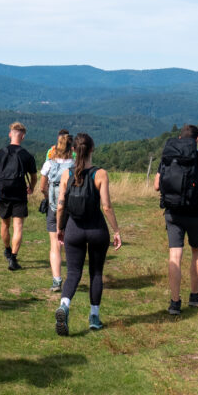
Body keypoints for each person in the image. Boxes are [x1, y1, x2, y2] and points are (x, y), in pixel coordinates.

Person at [54, 133, 122, 336]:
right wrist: (116, 231)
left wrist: (60, 228)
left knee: (73, 272)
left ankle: (64, 306)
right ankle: (94, 317)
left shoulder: (67, 174)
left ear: (73, 151)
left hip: (74, 229)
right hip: (96, 230)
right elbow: (107, 206)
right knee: (96, 273)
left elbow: (60, 206)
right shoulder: (100, 174)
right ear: (92, 149)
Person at [153, 124, 198, 315]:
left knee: (175, 255)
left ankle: (175, 302)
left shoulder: (168, 156)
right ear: (196, 140)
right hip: (195, 212)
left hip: (173, 213)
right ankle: (194, 295)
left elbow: (157, 185)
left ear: (180, 138)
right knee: (197, 251)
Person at [0, 122, 37, 271]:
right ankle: (13, 259)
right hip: (19, 193)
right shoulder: (27, 155)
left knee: (5, 224)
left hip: (3, 192)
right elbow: (34, 176)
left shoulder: (0, 153)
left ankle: (7, 249)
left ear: (10, 134)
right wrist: (31, 188)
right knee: (18, 227)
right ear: (22, 136)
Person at [38, 130, 73, 292]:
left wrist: (48, 197)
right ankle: (73, 276)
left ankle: (57, 280)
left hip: (53, 207)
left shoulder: (49, 164)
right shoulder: (75, 165)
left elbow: (42, 187)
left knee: (55, 245)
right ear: (71, 148)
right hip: (72, 208)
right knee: (72, 243)